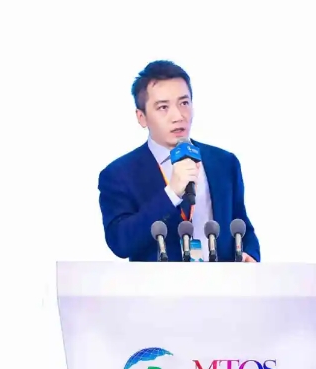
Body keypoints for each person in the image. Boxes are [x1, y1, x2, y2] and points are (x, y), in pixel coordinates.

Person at [98, 60, 260, 262]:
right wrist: (172, 193)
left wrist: (250, 254)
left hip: (221, 281)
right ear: (142, 117)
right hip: (158, 282)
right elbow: (120, 242)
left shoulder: (224, 163)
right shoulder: (119, 174)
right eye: (163, 107)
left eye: (184, 103)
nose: (178, 116)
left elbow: (242, 226)